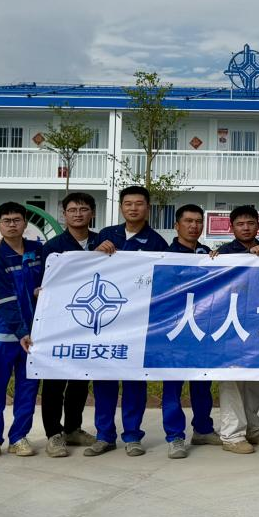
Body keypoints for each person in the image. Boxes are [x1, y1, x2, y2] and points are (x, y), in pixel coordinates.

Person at [85, 185, 168, 458]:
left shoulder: (157, 243)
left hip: (138, 325)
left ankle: (132, 436)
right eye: (128, 204)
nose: (133, 208)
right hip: (106, 321)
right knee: (104, 380)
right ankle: (104, 436)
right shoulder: (106, 235)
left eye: (139, 204)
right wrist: (96, 252)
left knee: (134, 381)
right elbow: (85, 270)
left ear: (148, 208)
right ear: (121, 207)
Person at [0, 202, 45, 461]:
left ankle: (19, 437)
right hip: (3, 334)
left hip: (34, 333)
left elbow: (54, 276)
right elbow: (4, 300)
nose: (12, 224)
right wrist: (21, 332)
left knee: (28, 387)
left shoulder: (38, 251)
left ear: (25, 223)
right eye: (7, 221)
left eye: (17, 219)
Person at [37, 192, 99, 458]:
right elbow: (43, 284)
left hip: (91, 322)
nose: (78, 214)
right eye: (72, 210)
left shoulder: (103, 242)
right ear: (64, 214)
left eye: (83, 209)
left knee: (80, 378)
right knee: (54, 380)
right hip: (59, 322)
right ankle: (54, 433)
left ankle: (73, 428)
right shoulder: (53, 247)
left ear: (92, 213)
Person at [210, 205, 259, 454]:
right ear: (231, 227)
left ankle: (252, 429)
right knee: (232, 380)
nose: (246, 228)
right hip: (231, 325)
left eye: (250, 223)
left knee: (256, 381)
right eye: (240, 224)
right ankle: (232, 435)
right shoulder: (222, 254)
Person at [160, 203, 222, 458]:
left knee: (202, 384)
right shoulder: (165, 256)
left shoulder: (207, 253)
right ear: (177, 225)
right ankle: (175, 436)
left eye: (198, 221)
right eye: (188, 221)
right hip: (174, 332)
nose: (194, 226)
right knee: (173, 387)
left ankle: (203, 429)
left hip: (201, 330)